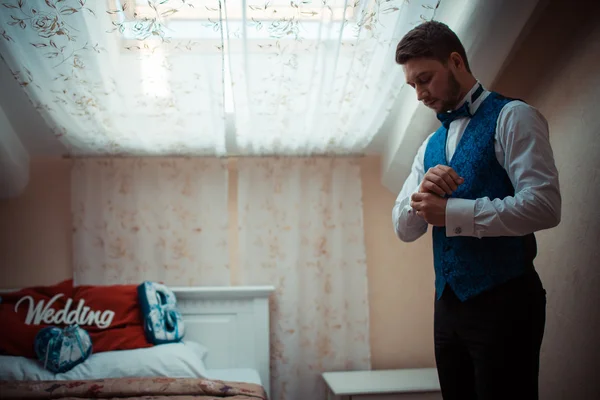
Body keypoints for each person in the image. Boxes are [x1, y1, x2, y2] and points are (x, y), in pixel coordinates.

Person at [391, 21, 561, 400]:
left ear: (455, 61)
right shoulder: (429, 144)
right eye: (412, 85)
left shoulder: (514, 116)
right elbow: (403, 228)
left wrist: (453, 213)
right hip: (447, 309)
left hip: (507, 303)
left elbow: (545, 207)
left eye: (425, 79)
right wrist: (422, 195)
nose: (419, 94)